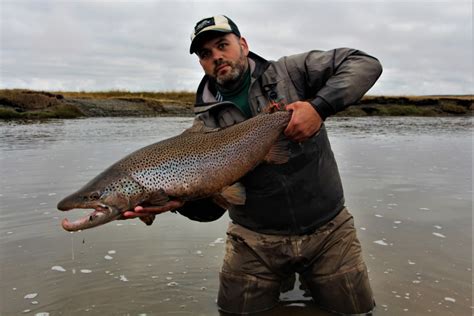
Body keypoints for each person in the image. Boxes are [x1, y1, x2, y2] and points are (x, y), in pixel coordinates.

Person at [124, 15, 382, 315]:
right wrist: (178, 201)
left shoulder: (291, 72)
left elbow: (364, 63)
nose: (216, 56)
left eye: (223, 45)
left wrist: (318, 107)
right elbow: (214, 208)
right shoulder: (204, 125)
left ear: (243, 45)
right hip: (253, 241)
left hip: (329, 230)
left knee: (357, 312)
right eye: (205, 54)